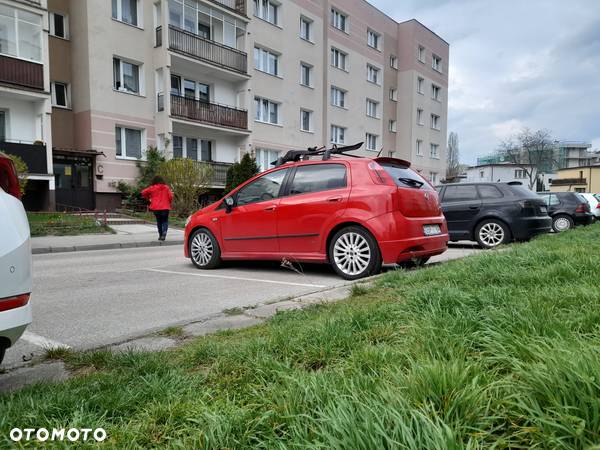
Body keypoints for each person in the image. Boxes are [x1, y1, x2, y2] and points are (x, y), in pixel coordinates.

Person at [141, 176, 173, 241]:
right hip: (165, 207)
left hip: (156, 208)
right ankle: (164, 234)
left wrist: (149, 198)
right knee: (165, 221)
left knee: (159, 221)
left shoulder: (152, 188)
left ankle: (160, 235)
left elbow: (143, 192)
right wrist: (168, 202)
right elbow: (171, 196)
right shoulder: (166, 187)